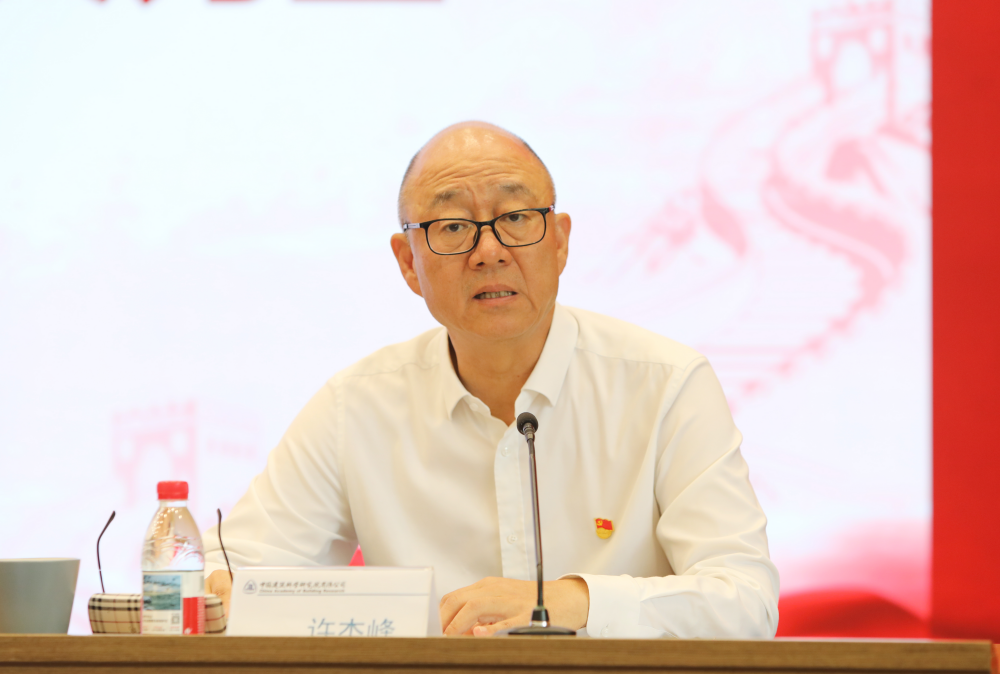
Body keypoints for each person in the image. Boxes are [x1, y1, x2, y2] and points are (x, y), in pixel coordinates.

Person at [204, 121, 779, 638]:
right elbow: (229, 571)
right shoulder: (356, 406)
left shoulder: (667, 386)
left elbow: (745, 600)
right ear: (408, 263)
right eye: (453, 226)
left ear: (560, 241)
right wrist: (220, 590)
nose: (488, 251)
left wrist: (569, 601)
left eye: (516, 219)